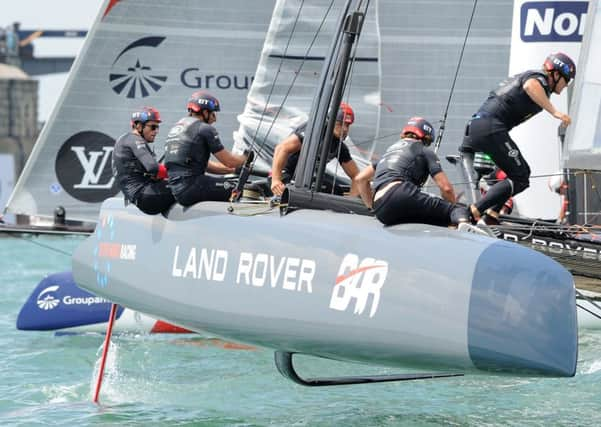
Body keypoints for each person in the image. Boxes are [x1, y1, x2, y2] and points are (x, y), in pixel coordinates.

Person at [460, 52, 575, 225]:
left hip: (478, 127)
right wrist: (555, 112)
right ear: (556, 73)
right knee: (521, 176)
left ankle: (491, 216)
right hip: (490, 127)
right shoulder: (539, 78)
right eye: (566, 79)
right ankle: (474, 211)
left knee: (514, 175)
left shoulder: (538, 81)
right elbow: (530, 86)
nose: (566, 85)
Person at [355, 117, 470, 227]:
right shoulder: (423, 150)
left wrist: (371, 207)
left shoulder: (388, 152)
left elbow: (360, 179)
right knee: (456, 211)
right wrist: (451, 210)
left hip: (381, 209)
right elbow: (446, 188)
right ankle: (466, 231)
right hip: (401, 194)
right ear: (425, 138)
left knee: (431, 218)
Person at [164, 91, 247, 206]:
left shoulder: (179, 127)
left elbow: (207, 166)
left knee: (228, 183)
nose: (215, 119)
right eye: (213, 113)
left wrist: (233, 171)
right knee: (248, 189)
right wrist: (246, 158)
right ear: (205, 112)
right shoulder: (204, 129)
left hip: (179, 190)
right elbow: (229, 161)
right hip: (193, 186)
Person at [270, 102, 361, 196]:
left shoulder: (339, 147)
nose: (345, 129)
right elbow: (281, 148)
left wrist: (351, 201)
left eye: (347, 125)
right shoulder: (313, 131)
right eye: (340, 124)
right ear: (330, 121)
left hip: (310, 180)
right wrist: (276, 180)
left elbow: (357, 176)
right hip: (288, 175)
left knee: (337, 192)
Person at [112, 107, 175, 215]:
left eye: (157, 127)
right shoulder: (135, 139)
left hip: (140, 197)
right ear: (139, 126)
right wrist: (177, 174)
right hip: (147, 196)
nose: (156, 131)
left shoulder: (125, 139)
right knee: (189, 186)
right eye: (153, 127)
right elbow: (153, 168)